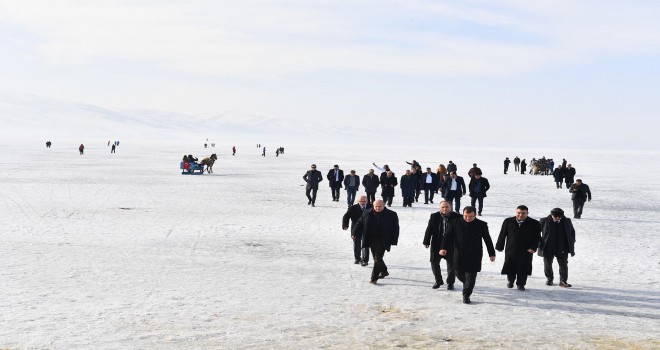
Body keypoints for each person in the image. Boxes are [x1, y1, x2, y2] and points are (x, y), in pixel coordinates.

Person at [440, 206, 496, 304]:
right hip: (459, 253)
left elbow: (487, 239)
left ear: (475, 215)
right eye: (466, 216)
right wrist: (443, 248)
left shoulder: (481, 224)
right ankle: (468, 284)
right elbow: (447, 236)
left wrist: (491, 253)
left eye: (471, 216)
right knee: (458, 273)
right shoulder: (455, 222)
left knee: (471, 275)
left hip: (474, 254)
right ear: (463, 214)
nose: (468, 218)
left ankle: (466, 295)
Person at [351, 199, 399, 284]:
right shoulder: (367, 212)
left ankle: (374, 278)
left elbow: (396, 228)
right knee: (377, 258)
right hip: (371, 238)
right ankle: (384, 271)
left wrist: (393, 240)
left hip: (383, 240)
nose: (377, 208)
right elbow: (359, 223)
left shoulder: (392, 214)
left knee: (377, 259)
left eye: (380, 206)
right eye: (376, 206)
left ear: (384, 206)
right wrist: (354, 233)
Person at [495, 205, 541, 291]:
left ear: (527, 213)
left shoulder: (534, 223)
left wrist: (533, 247)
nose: (521, 215)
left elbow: (537, 237)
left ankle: (521, 284)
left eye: (523, 213)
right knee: (510, 265)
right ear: (516, 212)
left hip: (526, 250)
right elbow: (502, 234)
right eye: (519, 213)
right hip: (511, 248)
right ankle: (510, 281)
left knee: (523, 267)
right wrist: (499, 246)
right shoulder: (508, 221)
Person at [423, 201, 461, 290]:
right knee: (434, 262)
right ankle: (438, 281)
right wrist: (426, 241)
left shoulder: (458, 217)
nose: (445, 209)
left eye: (447, 207)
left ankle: (450, 283)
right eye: (443, 207)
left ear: (451, 207)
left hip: (451, 244)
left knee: (451, 265)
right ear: (440, 207)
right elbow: (429, 229)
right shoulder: (434, 216)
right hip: (437, 243)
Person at [538, 208, 575, 287]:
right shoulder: (544, 220)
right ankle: (549, 279)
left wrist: (572, 240)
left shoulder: (567, 221)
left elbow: (572, 231)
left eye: (559, 216)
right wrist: (539, 242)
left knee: (563, 265)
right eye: (555, 216)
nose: (557, 218)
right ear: (551, 215)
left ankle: (563, 281)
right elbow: (536, 232)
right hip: (548, 247)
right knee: (547, 264)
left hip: (562, 247)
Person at [343, 195, 372, 266]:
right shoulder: (352, 208)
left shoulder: (371, 207)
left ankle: (365, 260)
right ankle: (357, 258)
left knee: (365, 244)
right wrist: (345, 225)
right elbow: (346, 216)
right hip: (356, 229)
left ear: (367, 201)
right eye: (361, 201)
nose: (362, 203)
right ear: (358, 201)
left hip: (367, 228)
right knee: (356, 244)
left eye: (364, 201)